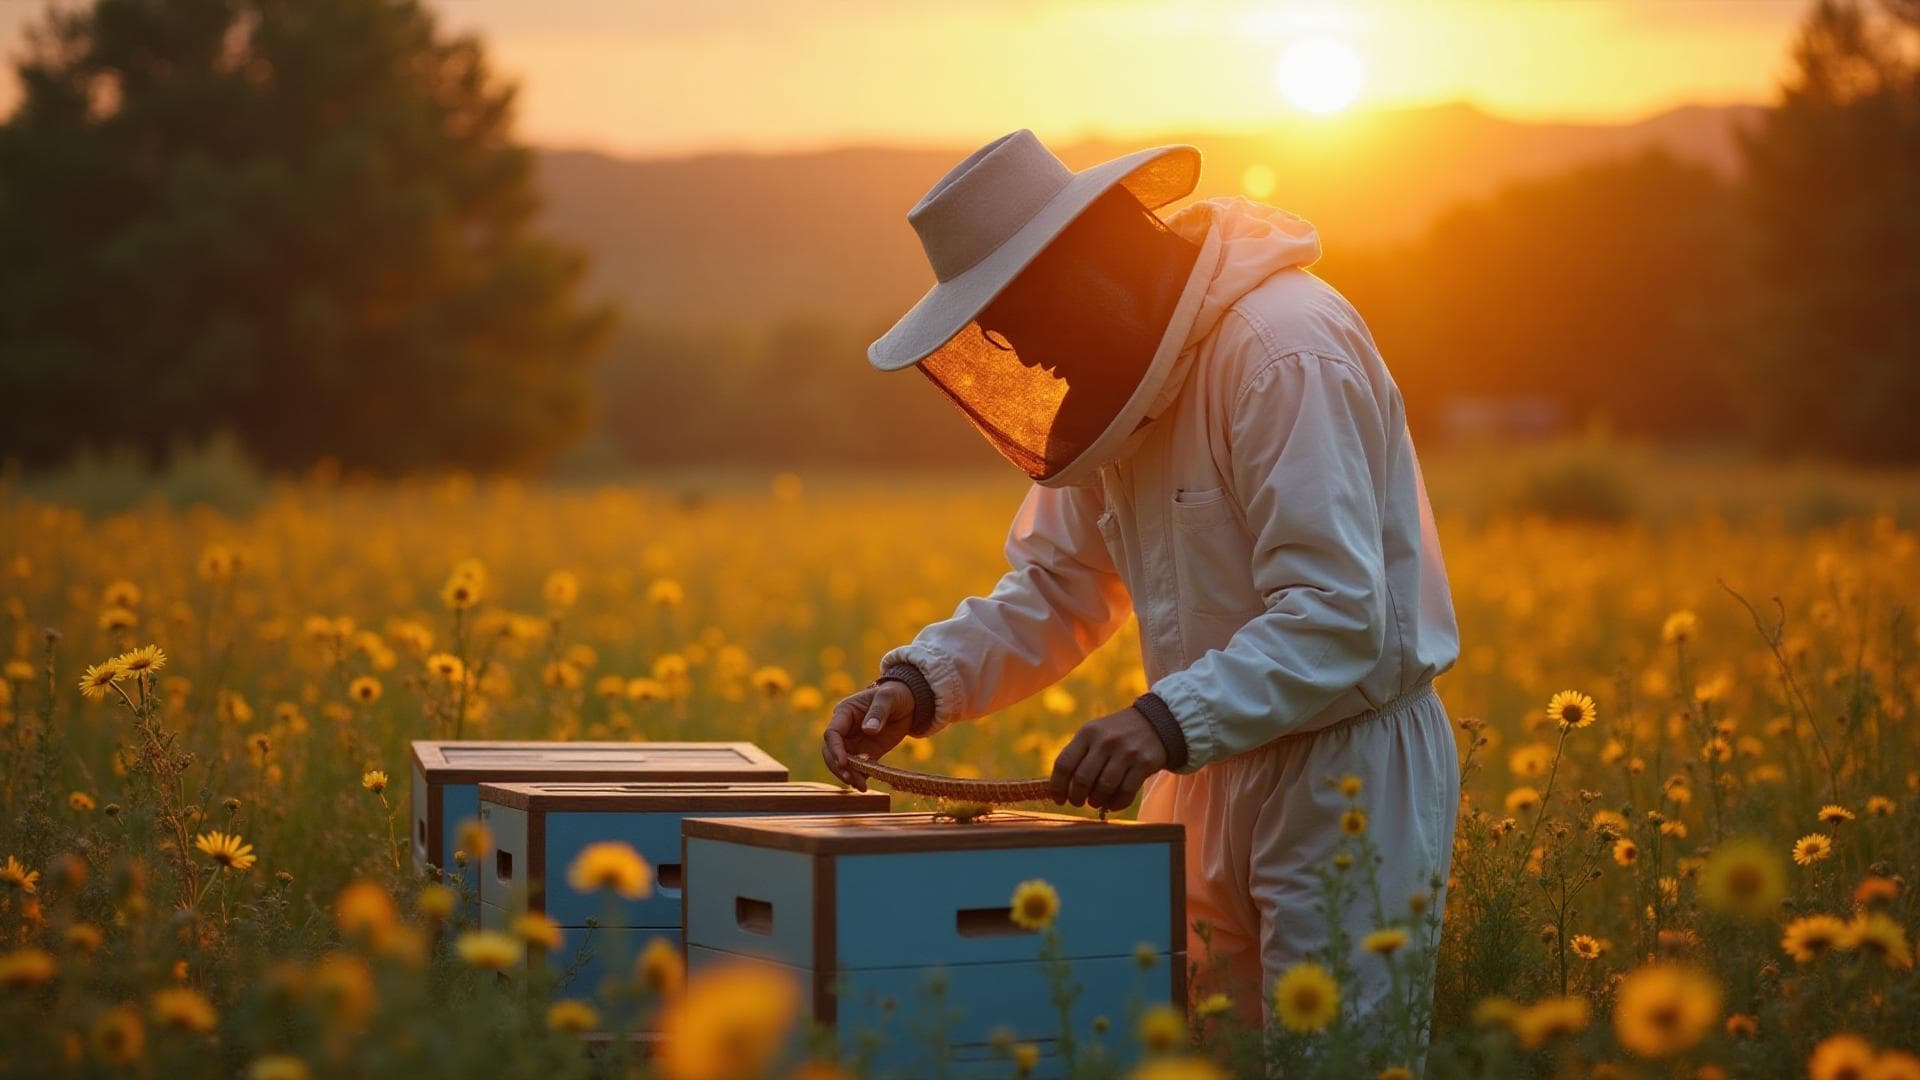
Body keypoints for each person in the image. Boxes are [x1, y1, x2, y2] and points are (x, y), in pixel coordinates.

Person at [820, 129, 1461, 1036]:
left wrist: (1163, 721)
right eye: (999, 338)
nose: (1029, 361)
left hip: (1343, 775)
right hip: (1204, 769)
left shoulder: (1282, 351)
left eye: (1023, 322)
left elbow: (1339, 614)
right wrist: (916, 686)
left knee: (1337, 1057)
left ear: (1085, 266)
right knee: (1204, 1048)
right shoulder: (1119, 394)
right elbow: (1057, 587)